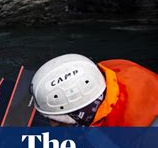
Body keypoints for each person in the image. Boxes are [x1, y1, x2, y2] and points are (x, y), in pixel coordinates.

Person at [30, 53, 158, 127]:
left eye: (57, 120)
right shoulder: (112, 70)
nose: (52, 124)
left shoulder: (141, 141)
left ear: (80, 114)